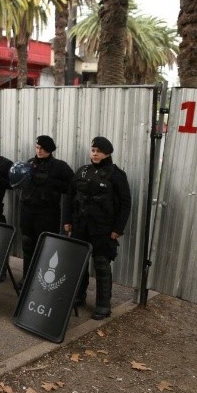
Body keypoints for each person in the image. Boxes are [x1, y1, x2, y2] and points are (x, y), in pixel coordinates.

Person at [63, 136, 131, 320]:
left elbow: (125, 204)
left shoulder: (116, 175)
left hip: (103, 228)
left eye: (99, 151)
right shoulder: (82, 171)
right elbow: (70, 197)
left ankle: (103, 305)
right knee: (79, 263)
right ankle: (78, 296)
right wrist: (67, 220)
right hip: (80, 226)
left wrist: (118, 228)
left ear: (107, 153)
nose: (95, 154)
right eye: (93, 150)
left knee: (101, 265)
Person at [16, 135, 74, 285]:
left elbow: (72, 187)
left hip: (47, 213)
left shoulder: (59, 166)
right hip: (28, 211)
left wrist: (51, 182)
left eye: (42, 148)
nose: (39, 151)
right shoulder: (29, 163)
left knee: (46, 246)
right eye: (37, 147)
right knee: (27, 244)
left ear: (49, 149)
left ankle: (44, 280)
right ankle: (27, 277)